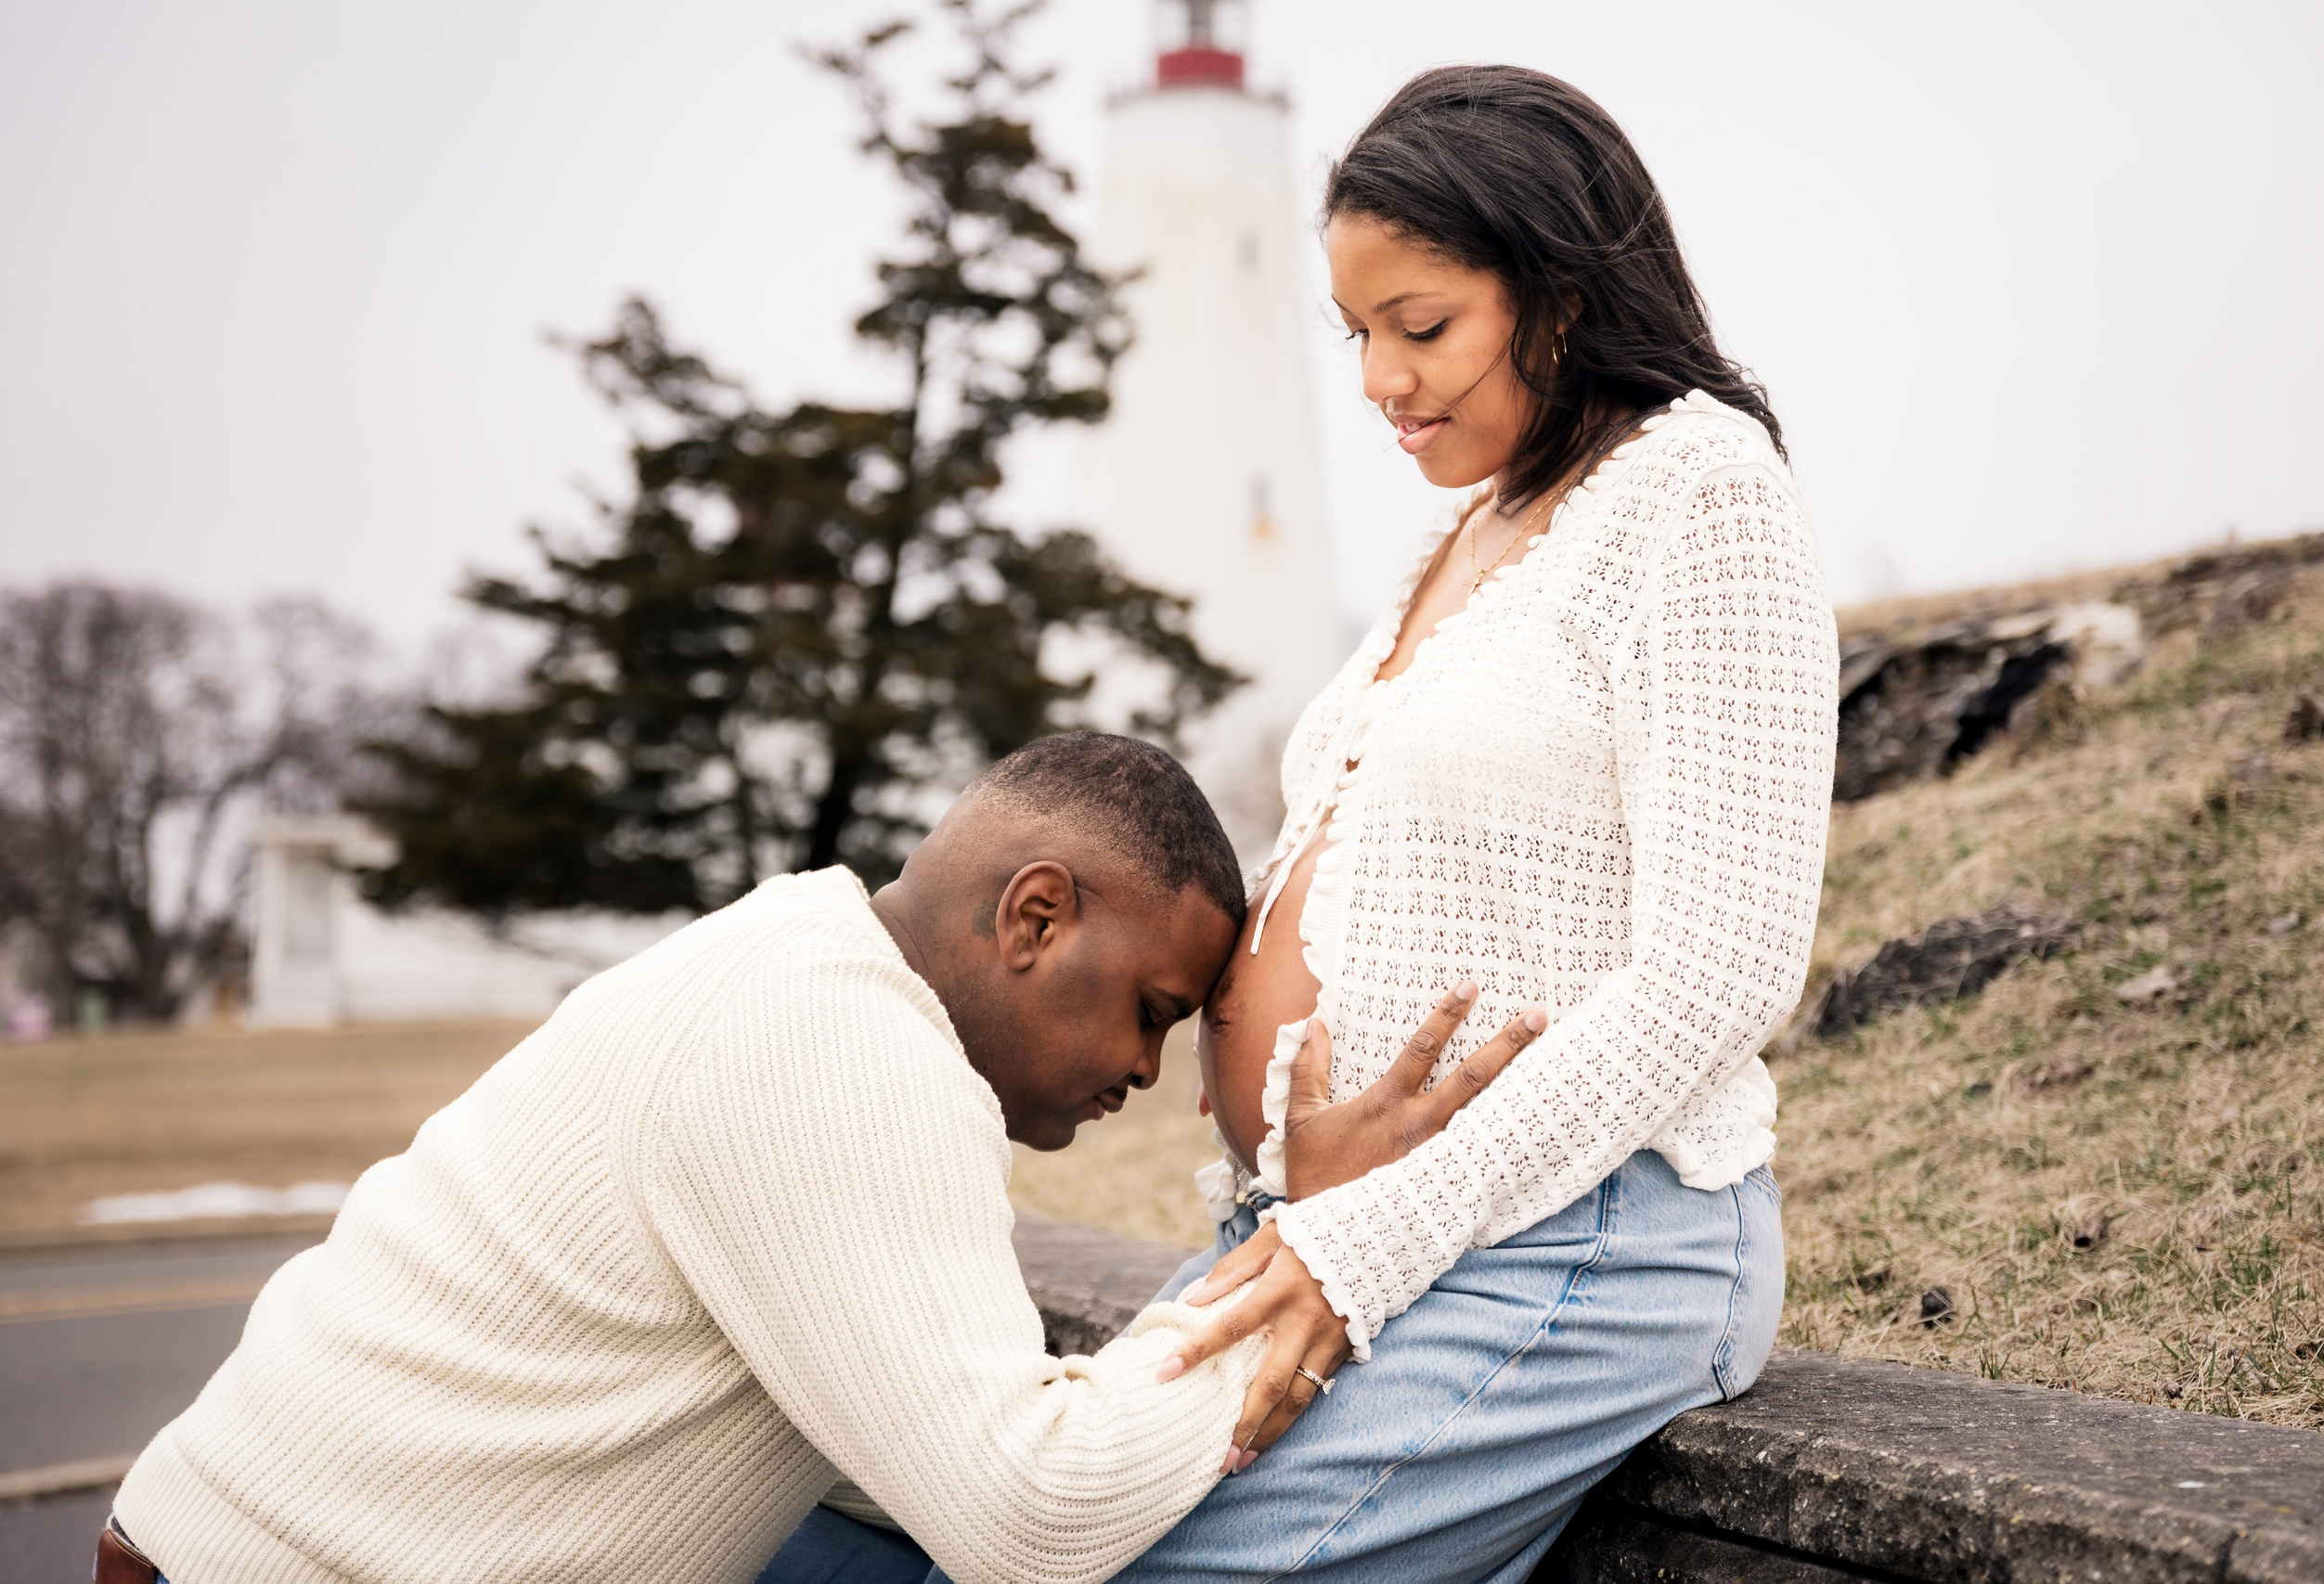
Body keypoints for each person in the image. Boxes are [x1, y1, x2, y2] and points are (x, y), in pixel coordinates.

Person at [768, 62, 1837, 1584]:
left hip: (1584, 1233)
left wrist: (1377, 1232)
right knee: (997, 1543)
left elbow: (1719, 969)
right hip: (1350, 1216)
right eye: (1357, 335)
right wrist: (1311, 1184)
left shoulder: (1699, 492)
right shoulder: (1463, 533)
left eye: (1422, 328)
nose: (1379, 383)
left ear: (1564, 290)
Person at [97, 733, 1531, 1584]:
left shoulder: (810, 963)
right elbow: (1027, 1513)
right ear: (1034, 916)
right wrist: (1314, 1248)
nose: (1145, 1074)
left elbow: (903, 1434)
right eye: (1150, 1011)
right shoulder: (839, 1051)